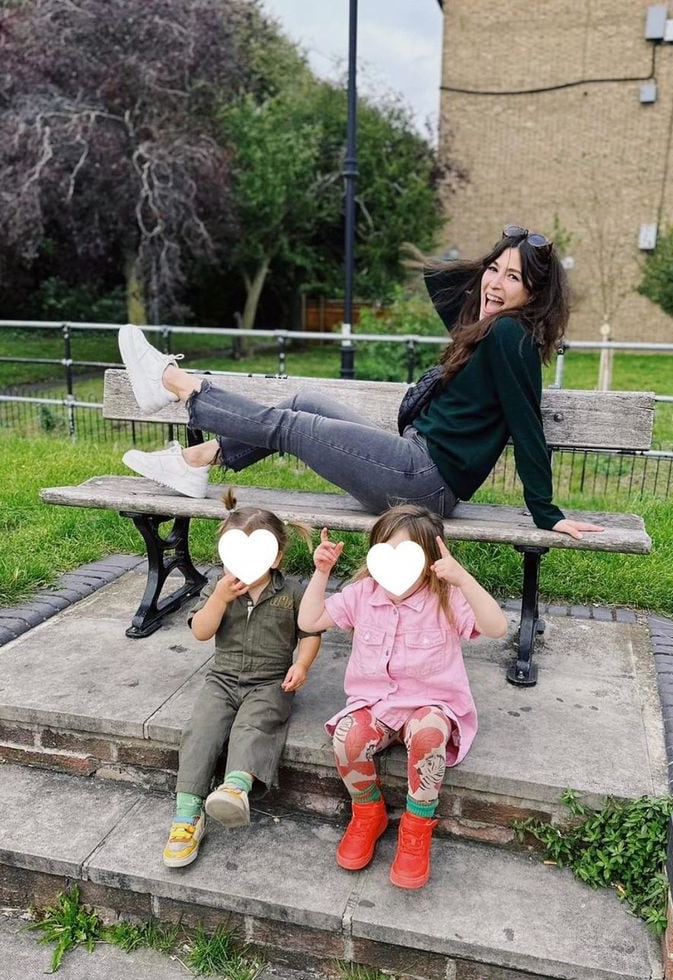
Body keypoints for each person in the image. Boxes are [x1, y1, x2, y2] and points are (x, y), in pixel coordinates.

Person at [119, 225, 602, 539]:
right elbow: (450, 292)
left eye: (512, 278)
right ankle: (196, 460)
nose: (494, 283)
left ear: (533, 293)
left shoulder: (508, 336)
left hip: (423, 482)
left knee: (294, 426)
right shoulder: (485, 326)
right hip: (414, 463)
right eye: (492, 269)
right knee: (305, 398)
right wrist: (489, 280)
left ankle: (175, 383)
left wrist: (547, 512)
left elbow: (527, 425)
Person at [297, 504, 507, 890]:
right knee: (347, 737)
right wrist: (321, 573)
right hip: (375, 705)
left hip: (430, 705)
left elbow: (496, 627)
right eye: (386, 552)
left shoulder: (444, 597)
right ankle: (368, 812)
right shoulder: (363, 595)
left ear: (429, 561)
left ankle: (416, 827)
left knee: (428, 737)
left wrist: (464, 580)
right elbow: (309, 622)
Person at [163, 490, 321, 869]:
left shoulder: (291, 593)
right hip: (222, 679)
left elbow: (311, 633)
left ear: (276, 557)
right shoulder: (218, 589)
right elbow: (201, 631)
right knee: (201, 731)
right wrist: (218, 598)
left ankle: (235, 788)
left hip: (270, 682)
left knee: (255, 725)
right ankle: (187, 814)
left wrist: (302, 666)